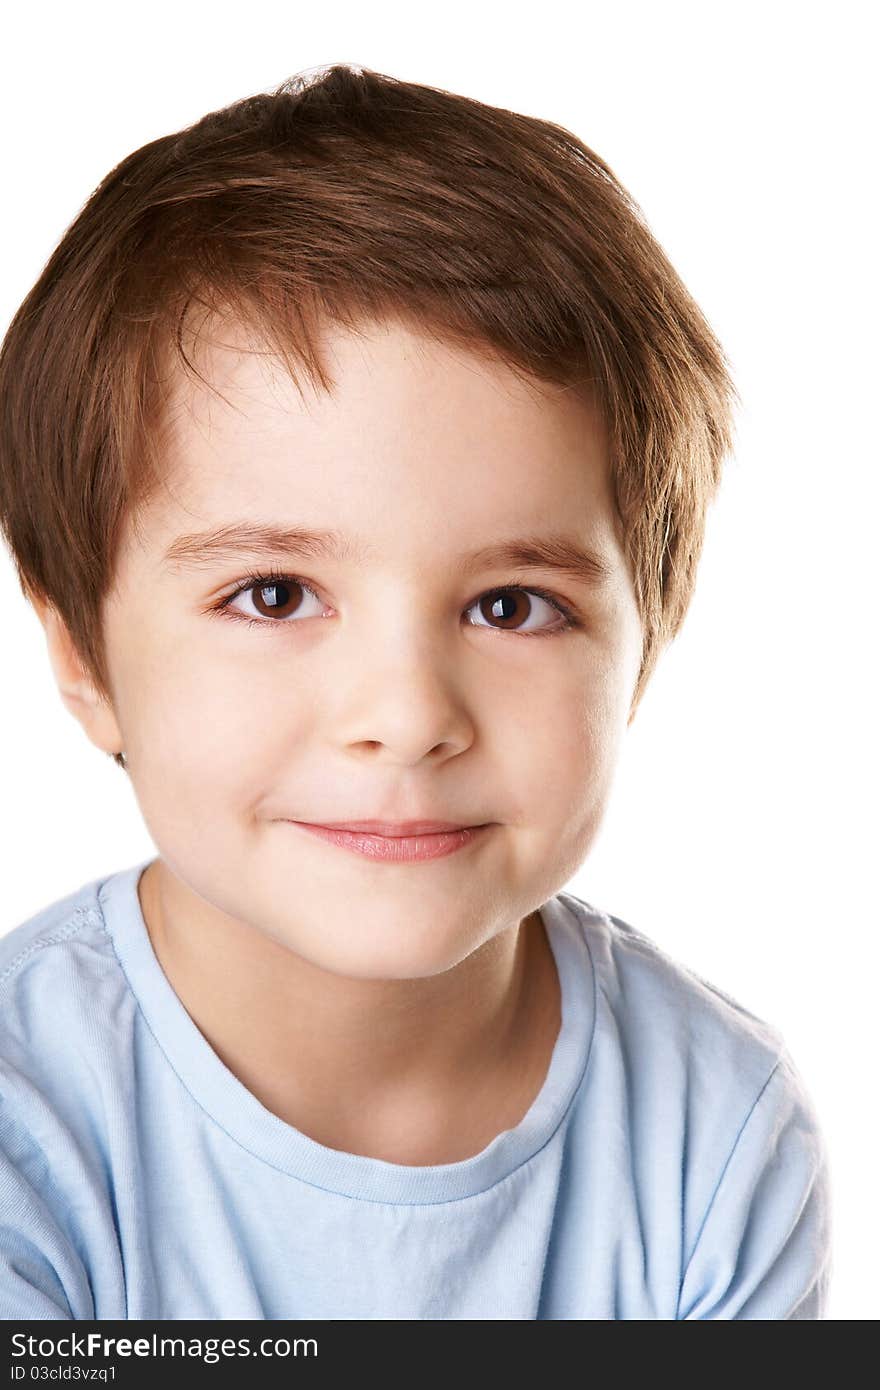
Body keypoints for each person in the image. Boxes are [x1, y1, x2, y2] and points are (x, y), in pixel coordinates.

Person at [0, 64, 831, 1320]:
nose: (405, 714)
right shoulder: (29, 1131)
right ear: (80, 657)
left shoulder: (716, 1137)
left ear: (643, 649)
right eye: (275, 594)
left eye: (510, 606)